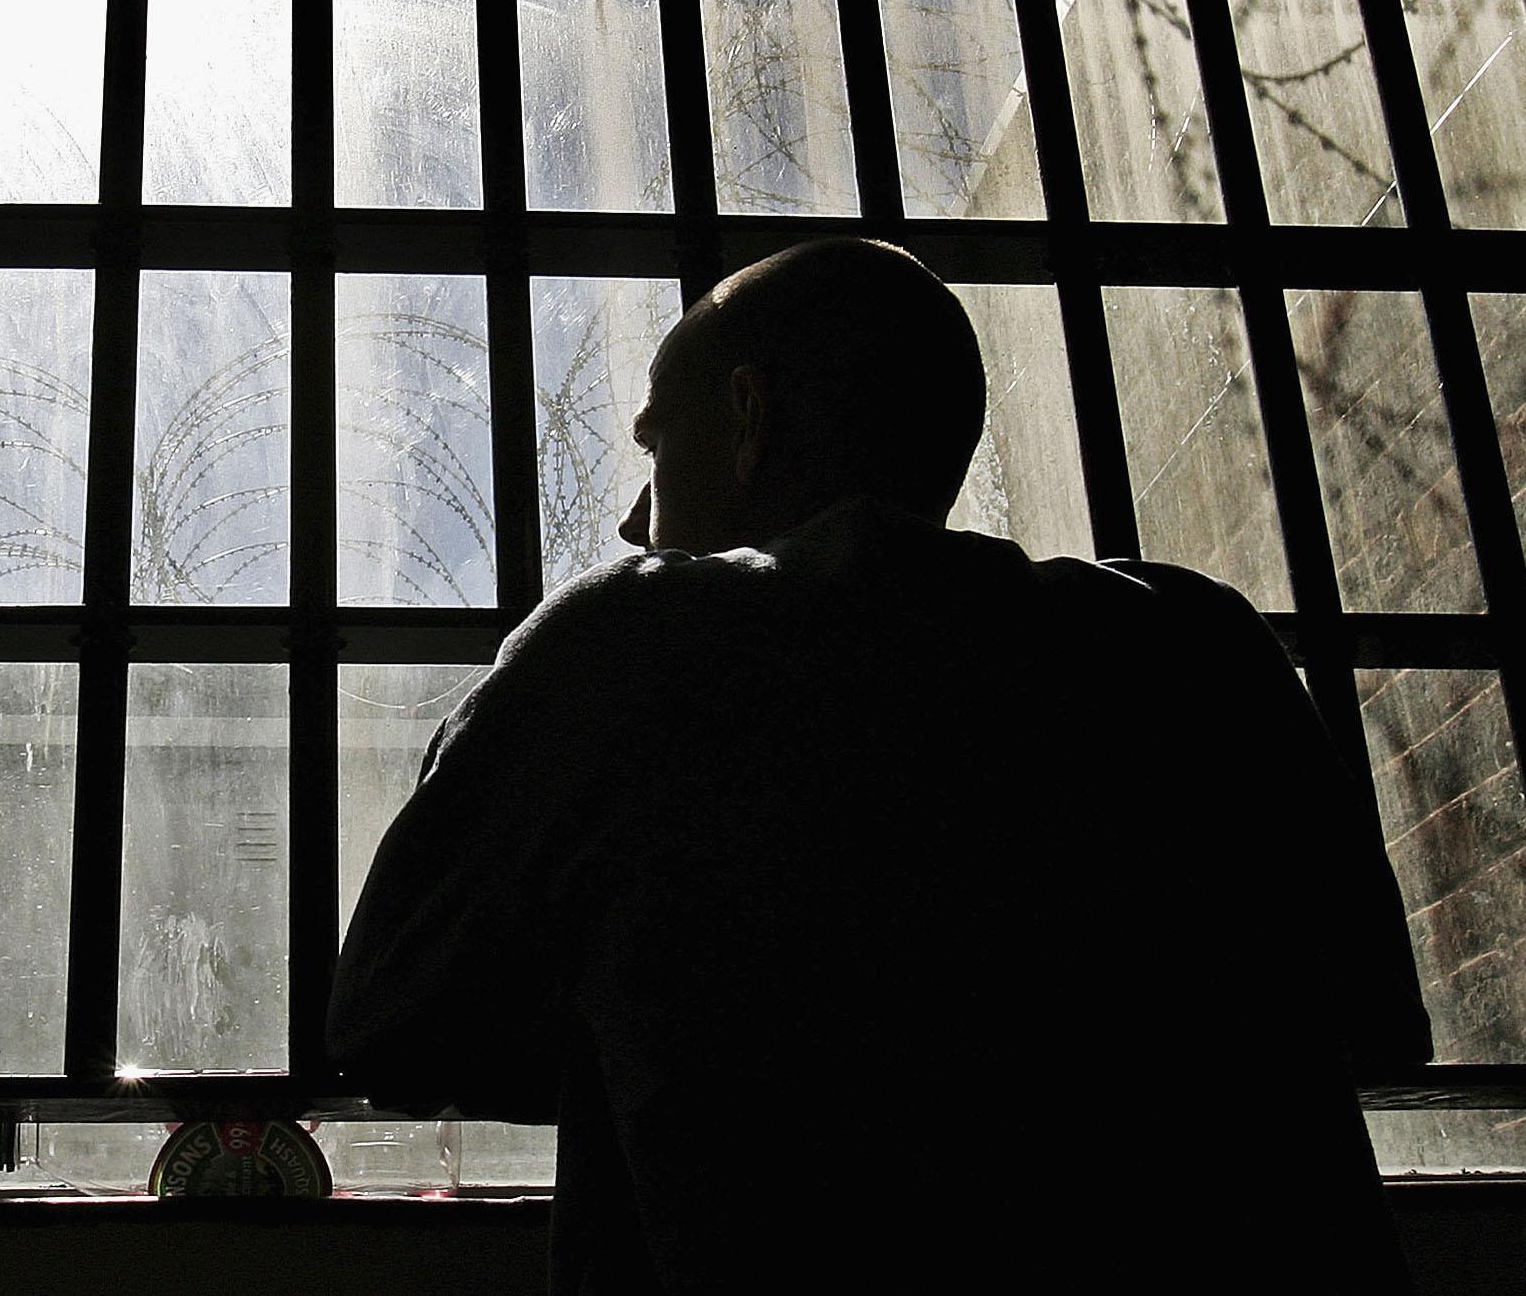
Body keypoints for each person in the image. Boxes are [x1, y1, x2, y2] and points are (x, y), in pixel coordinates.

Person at [327, 238, 1431, 1292]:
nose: (630, 517)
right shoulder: (1197, 646)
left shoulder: (633, 647)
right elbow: (1376, 1020)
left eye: (657, 446)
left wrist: (649, 1012)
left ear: (748, 417)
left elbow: (388, 1019)